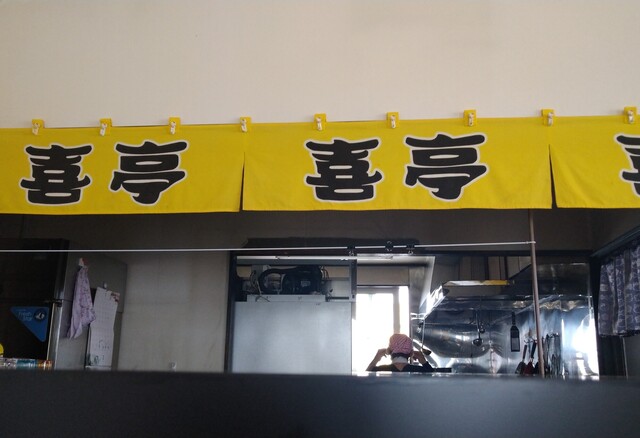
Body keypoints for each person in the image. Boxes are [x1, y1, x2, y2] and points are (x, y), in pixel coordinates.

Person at [366, 333, 434, 372]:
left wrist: (376, 359)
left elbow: (364, 381)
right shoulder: (421, 371)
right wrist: (424, 362)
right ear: (411, 353)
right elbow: (434, 379)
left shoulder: (379, 371)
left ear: (389, 351)